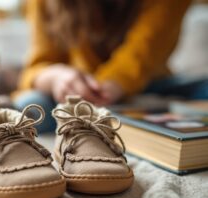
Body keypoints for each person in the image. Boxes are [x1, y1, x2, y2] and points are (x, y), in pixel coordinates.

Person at [14, 0, 205, 133]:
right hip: (76, 89)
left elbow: (142, 54)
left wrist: (105, 88)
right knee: (30, 106)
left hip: (150, 81)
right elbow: (36, 67)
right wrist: (56, 76)